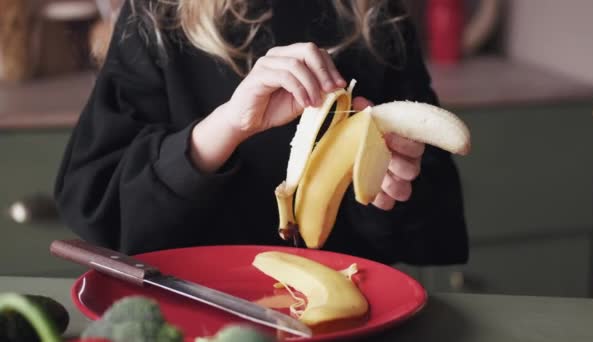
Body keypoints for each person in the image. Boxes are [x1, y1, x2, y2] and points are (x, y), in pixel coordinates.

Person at [54, 0, 468, 266]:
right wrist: (228, 125)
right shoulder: (155, 15)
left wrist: (387, 193)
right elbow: (99, 203)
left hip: (346, 303)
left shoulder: (377, 15)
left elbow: (429, 224)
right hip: (190, 308)